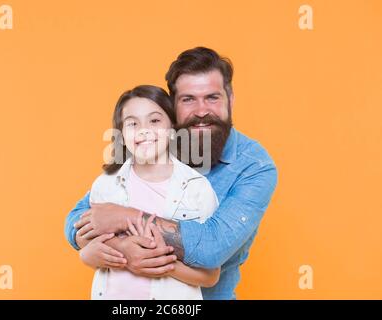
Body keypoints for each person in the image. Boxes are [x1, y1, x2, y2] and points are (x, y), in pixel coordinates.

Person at [65, 47, 278, 299]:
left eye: (212, 97)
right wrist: (120, 250)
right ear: (172, 107)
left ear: (230, 99)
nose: (201, 111)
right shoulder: (154, 147)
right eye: (188, 99)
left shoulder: (254, 166)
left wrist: (126, 218)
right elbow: (79, 218)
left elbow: (211, 248)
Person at [80, 85, 220, 299]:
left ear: (172, 128)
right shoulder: (105, 186)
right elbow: (88, 245)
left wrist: (157, 263)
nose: (143, 130)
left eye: (154, 121)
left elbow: (210, 276)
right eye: (132, 124)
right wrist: (87, 255)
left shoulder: (197, 188)